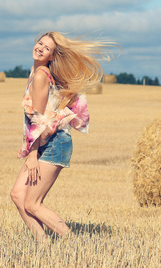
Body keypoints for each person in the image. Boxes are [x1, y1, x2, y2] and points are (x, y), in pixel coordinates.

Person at [10, 31, 114, 241]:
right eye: (40, 43)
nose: (40, 48)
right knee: (18, 195)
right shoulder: (36, 70)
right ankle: (44, 246)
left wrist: (32, 155)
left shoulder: (41, 75)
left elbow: (38, 120)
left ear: (52, 56)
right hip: (46, 140)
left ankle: (74, 243)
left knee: (32, 203)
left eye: (46, 48)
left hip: (53, 142)